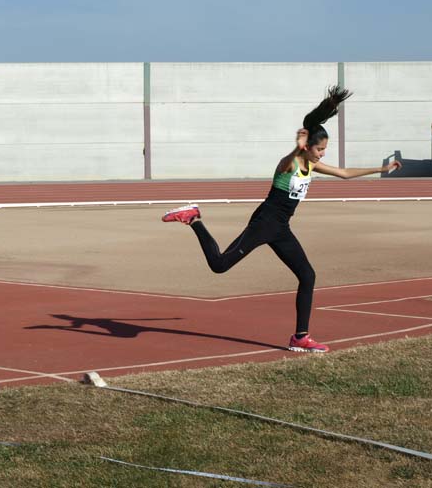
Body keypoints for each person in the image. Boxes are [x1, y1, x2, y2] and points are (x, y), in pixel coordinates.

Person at [162, 86, 402, 352]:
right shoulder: (288, 163)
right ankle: (194, 218)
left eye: (324, 149)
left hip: (281, 228)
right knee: (219, 265)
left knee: (307, 275)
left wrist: (382, 168)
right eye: (320, 149)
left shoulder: (311, 164)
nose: (323, 154)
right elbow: (289, 159)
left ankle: (300, 337)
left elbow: (343, 173)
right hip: (264, 223)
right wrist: (295, 147)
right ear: (307, 147)